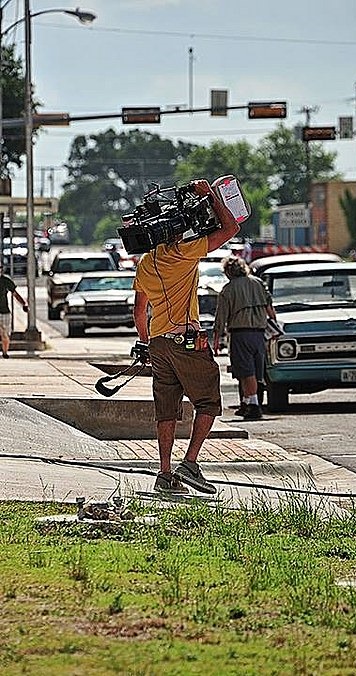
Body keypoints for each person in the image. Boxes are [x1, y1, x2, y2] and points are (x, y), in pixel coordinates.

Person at [133, 178, 240, 495]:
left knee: (166, 411)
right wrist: (209, 195)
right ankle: (190, 463)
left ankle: (165, 473)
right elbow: (230, 228)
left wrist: (146, 344)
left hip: (159, 344)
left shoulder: (145, 262)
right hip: (185, 342)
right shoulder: (184, 251)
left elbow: (140, 312)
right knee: (208, 402)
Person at [213, 255, 277, 420]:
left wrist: (216, 340)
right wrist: (274, 328)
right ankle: (246, 403)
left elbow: (221, 318)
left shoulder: (228, 289)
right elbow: (270, 308)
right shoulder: (258, 283)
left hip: (240, 334)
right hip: (259, 333)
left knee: (245, 371)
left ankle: (254, 405)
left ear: (228, 272)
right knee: (256, 370)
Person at [0, 264, 29, 359]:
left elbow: (15, 294)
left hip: (5, 312)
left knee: (5, 335)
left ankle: (5, 352)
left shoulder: (5, 281)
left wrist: (24, 304)